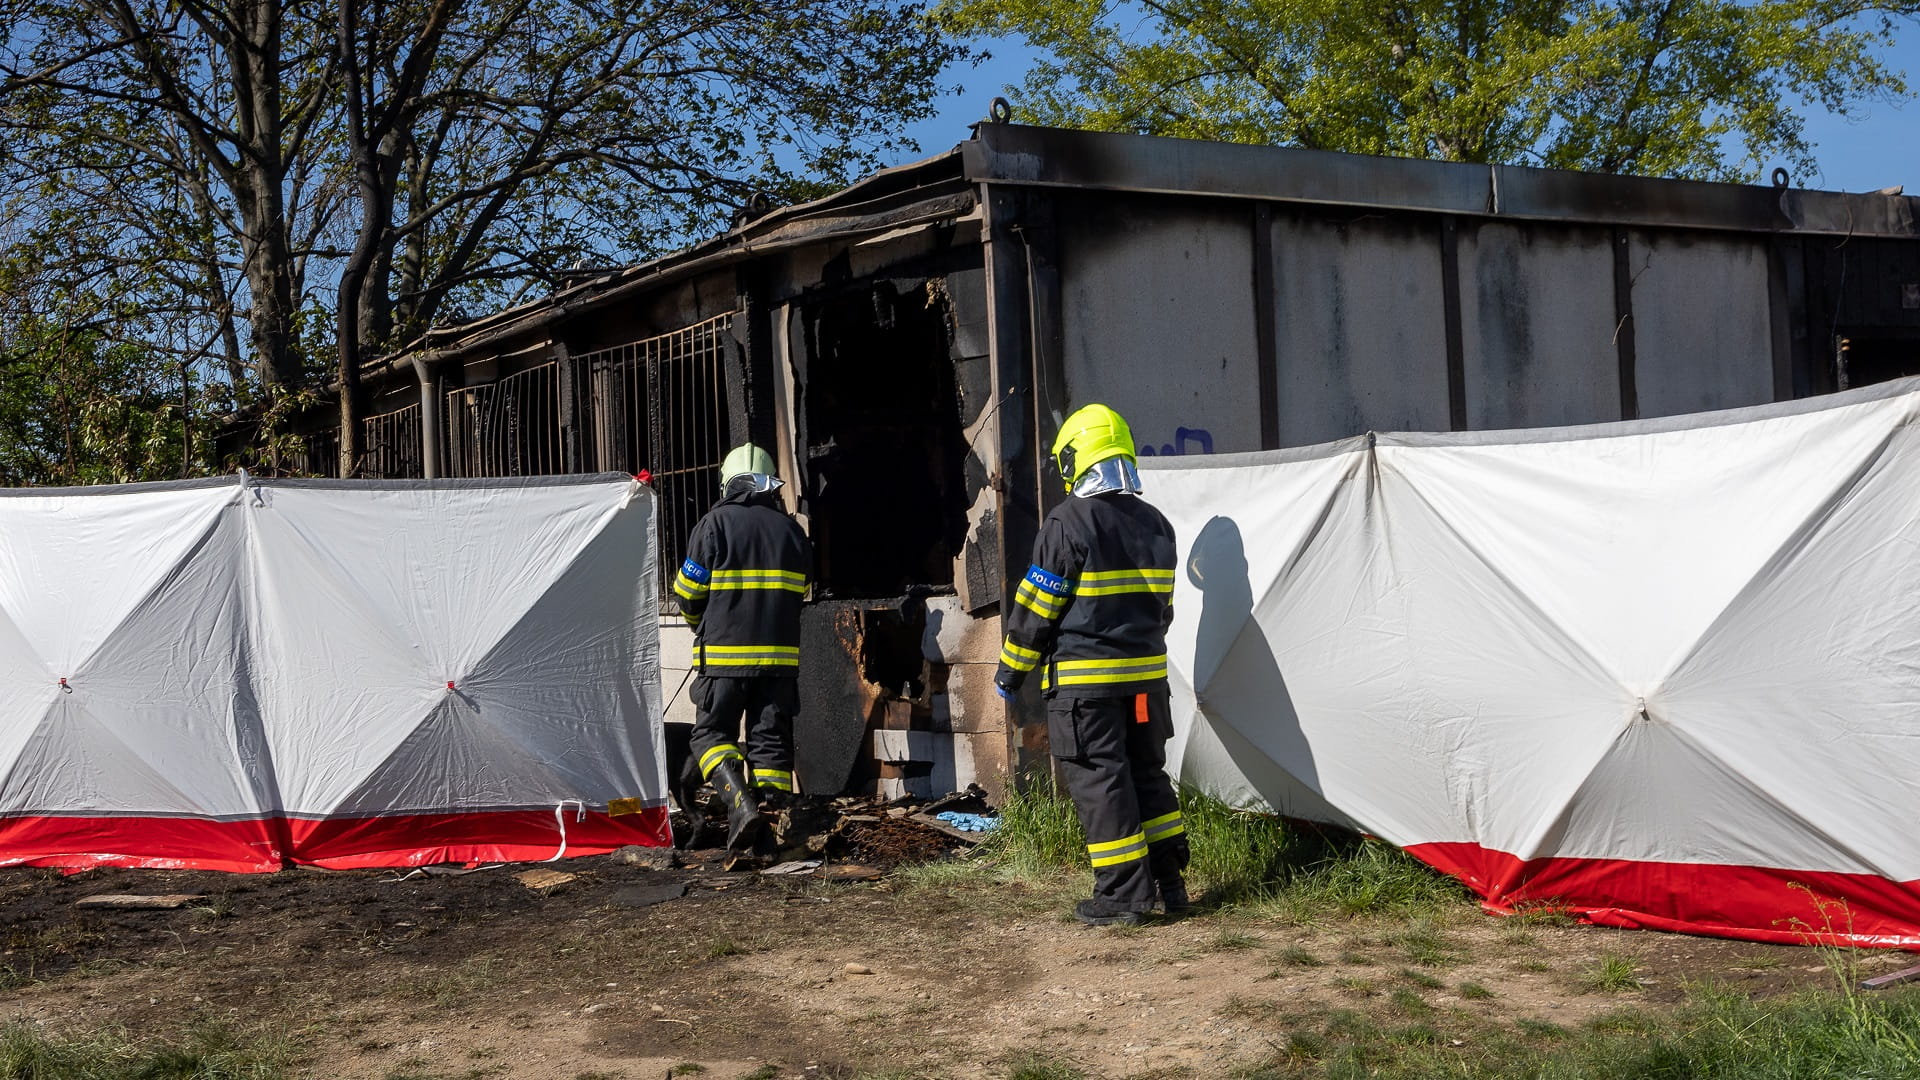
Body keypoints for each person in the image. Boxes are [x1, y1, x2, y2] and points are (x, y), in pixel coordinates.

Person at [994, 404, 1189, 926]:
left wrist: (1011, 671)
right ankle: (1171, 884)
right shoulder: (1157, 524)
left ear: (1076, 459)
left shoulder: (1068, 522)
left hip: (1087, 690)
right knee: (1146, 774)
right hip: (1147, 687)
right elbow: (1164, 611)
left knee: (1102, 782)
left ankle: (1122, 897)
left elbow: (1037, 609)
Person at [673, 443, 812, 854]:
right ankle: (769, 836)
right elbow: (801, 591)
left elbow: (687, 593)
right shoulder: (793, 532)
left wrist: (701, 626)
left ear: (728, 483)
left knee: (710, 735)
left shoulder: (714, 525)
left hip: (724, 662)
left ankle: (740, 806)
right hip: (779, 665)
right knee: (770, 747)